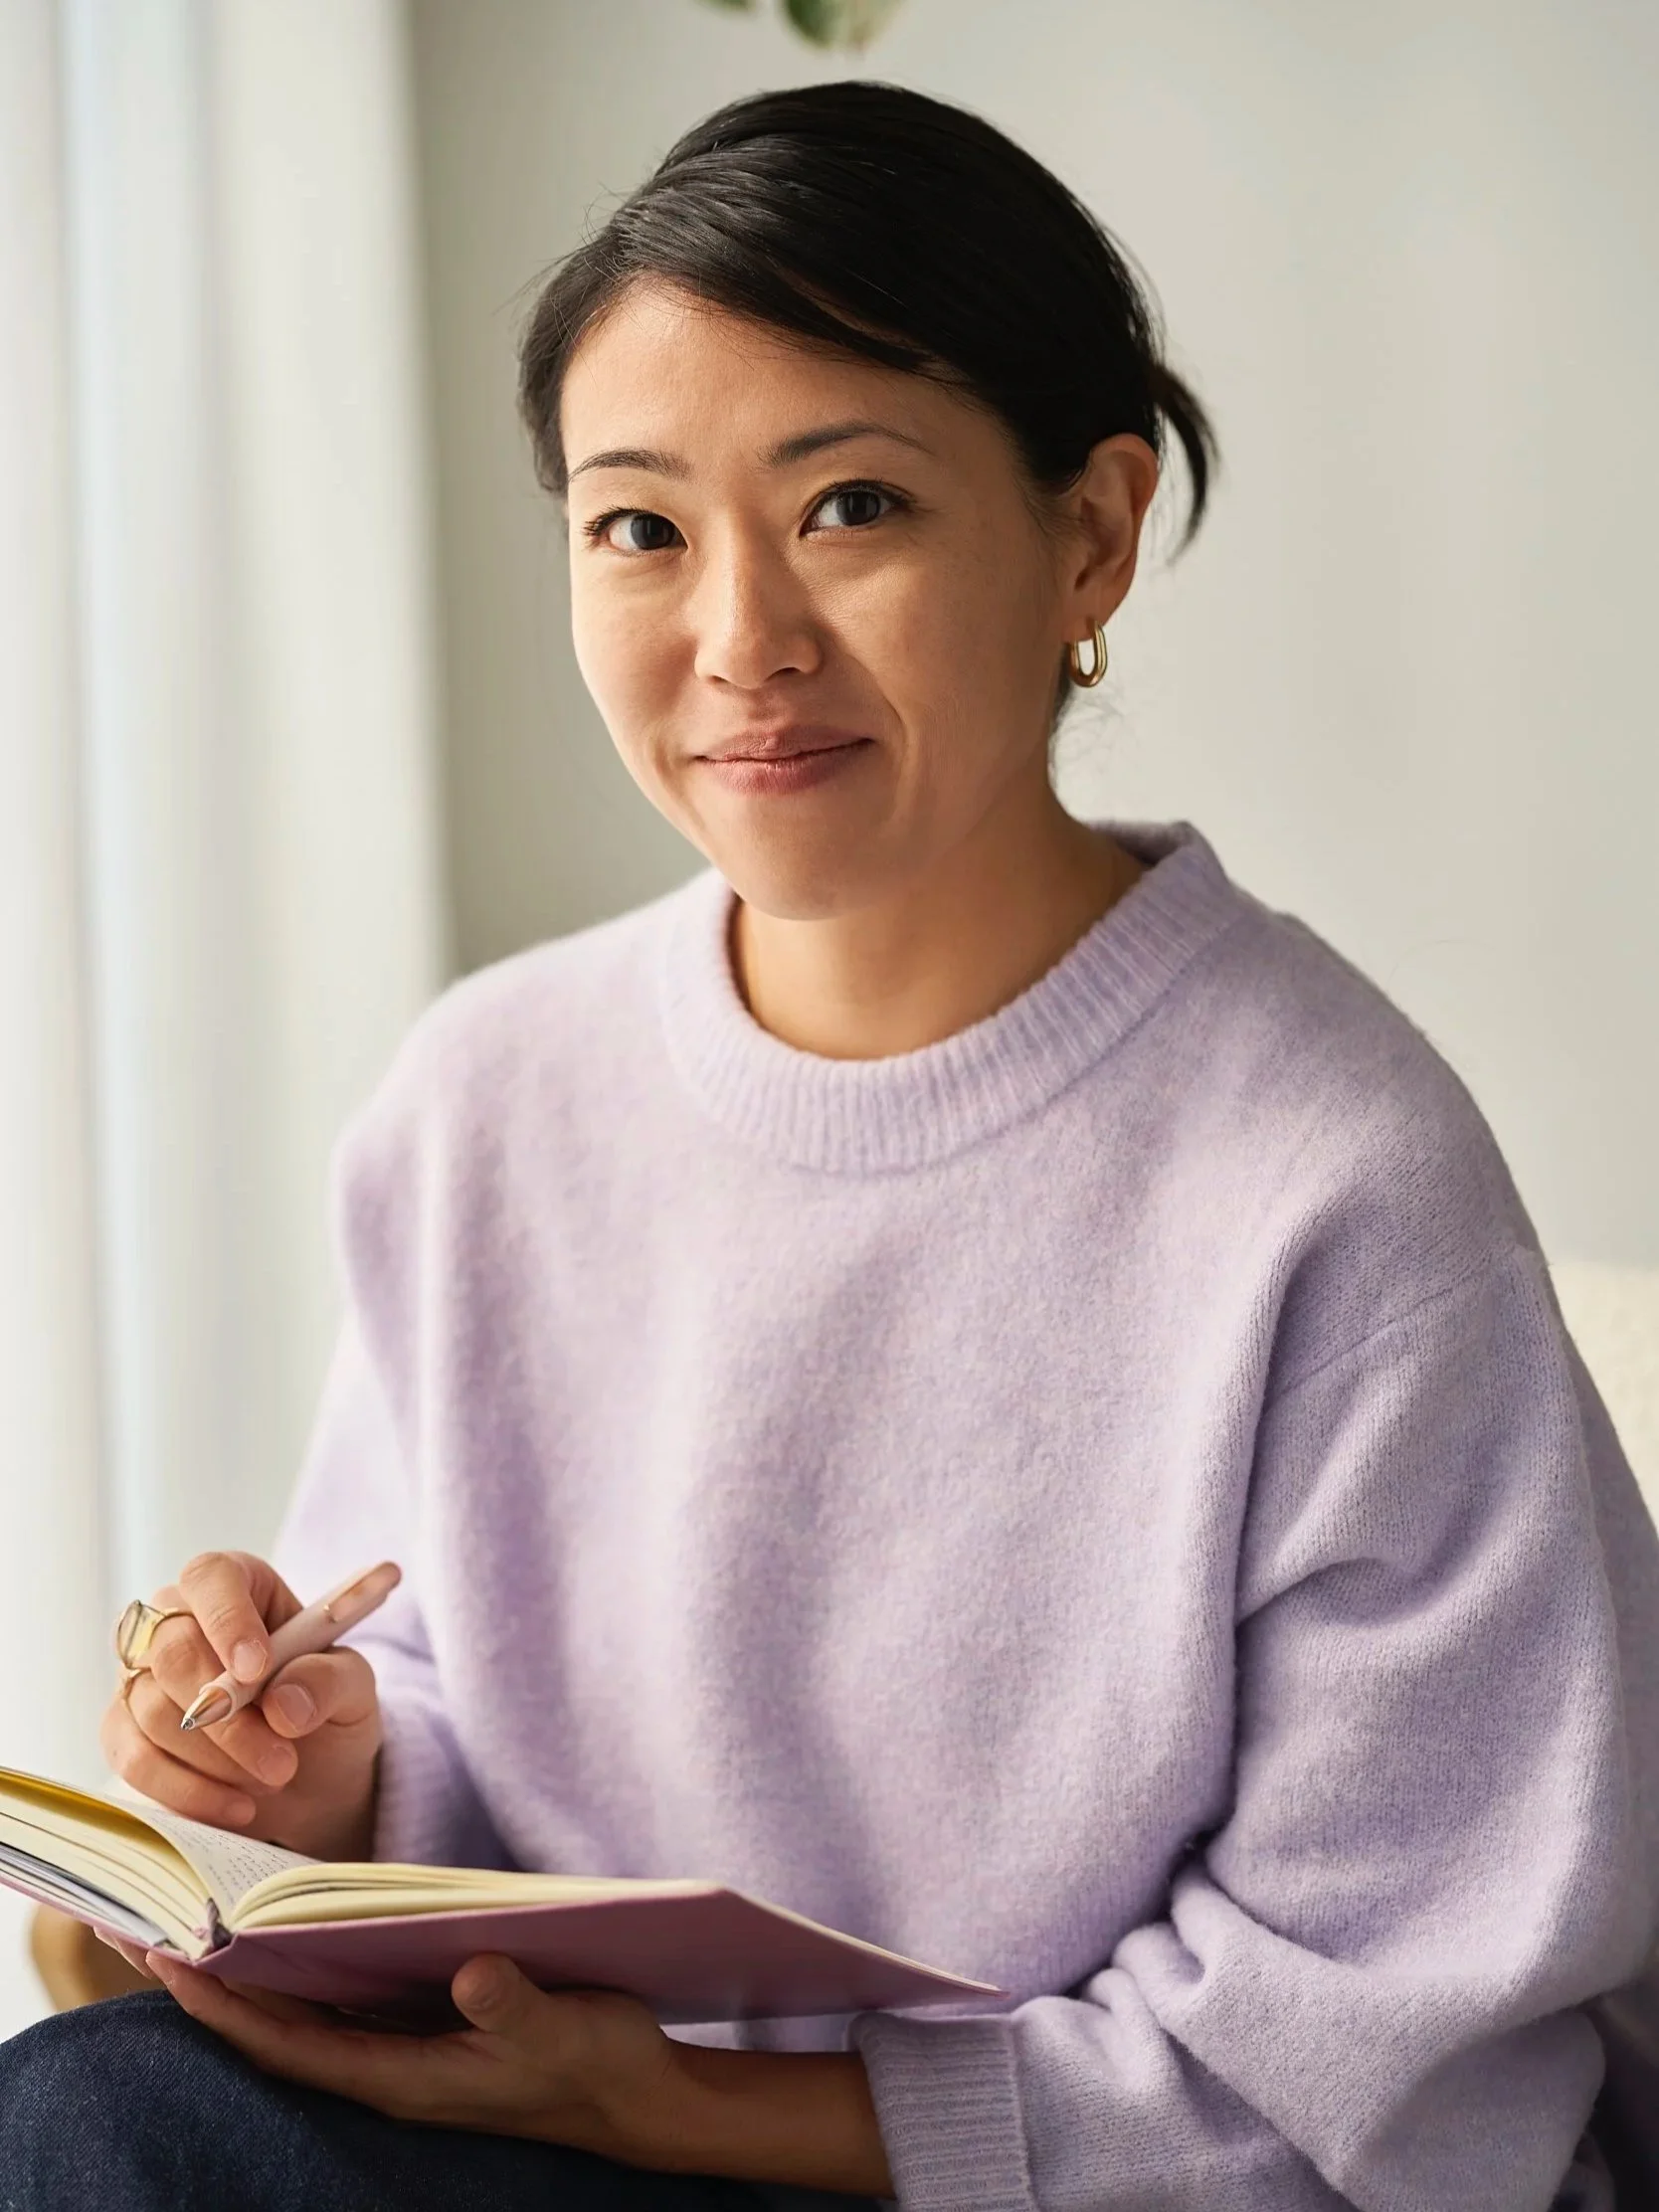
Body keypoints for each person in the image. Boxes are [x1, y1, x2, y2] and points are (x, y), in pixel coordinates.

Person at [3, 75, 1655, 2212]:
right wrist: (326, 1762)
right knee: (91, 2111)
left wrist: (669, 2107)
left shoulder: (1338, 1181)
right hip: (588, 2144)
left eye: (852, 504)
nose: (740, 641)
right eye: (638, 526)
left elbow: (1390, 2060)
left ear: (1089, 531)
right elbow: (440, 1677)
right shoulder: (488, 1095)